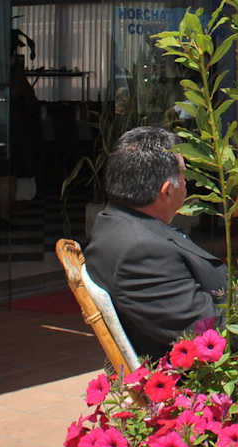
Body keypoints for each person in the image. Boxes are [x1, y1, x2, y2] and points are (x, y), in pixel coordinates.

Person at [84, 126, 226, 361]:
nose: (187, 182)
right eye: (183, 175)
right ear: (167, 191)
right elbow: (207, 330)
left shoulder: (116, 220)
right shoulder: (141, 253)